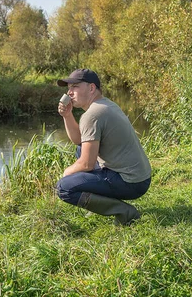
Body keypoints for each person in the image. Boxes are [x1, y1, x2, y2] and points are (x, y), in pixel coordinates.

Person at [56, 68, 151, 225]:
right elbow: (79, 140)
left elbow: (86, 163)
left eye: (75, 87)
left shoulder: (92, 115)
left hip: (131, 182)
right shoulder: (105, 105)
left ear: (91, 88)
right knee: (81, 149)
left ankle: (124, 212)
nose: (70, 92)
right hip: (140, 178)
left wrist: (66, 173)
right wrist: (67, 115)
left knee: (64, 187)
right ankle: (99, 202)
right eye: (69, 88)